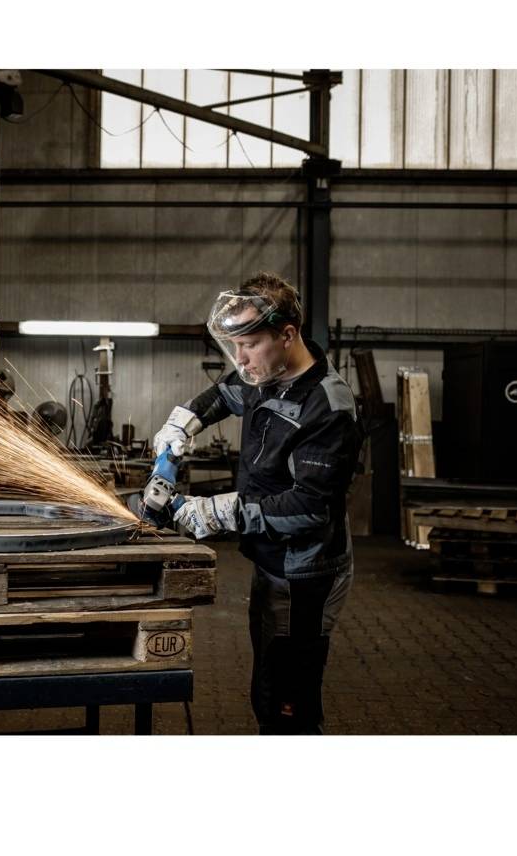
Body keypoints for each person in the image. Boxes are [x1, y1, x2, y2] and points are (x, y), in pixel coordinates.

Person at [154, 271, 362, 734]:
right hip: (272, 560)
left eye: (249, 344)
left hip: (304, 574)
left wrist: (216, 511)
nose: (240, 358)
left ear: (287, 335)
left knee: (287, 703)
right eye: (234, 345)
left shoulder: (328, 407)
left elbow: (308, 508)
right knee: (267, 686)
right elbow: (224, 394)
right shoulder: (265, 372)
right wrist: (182, 422)